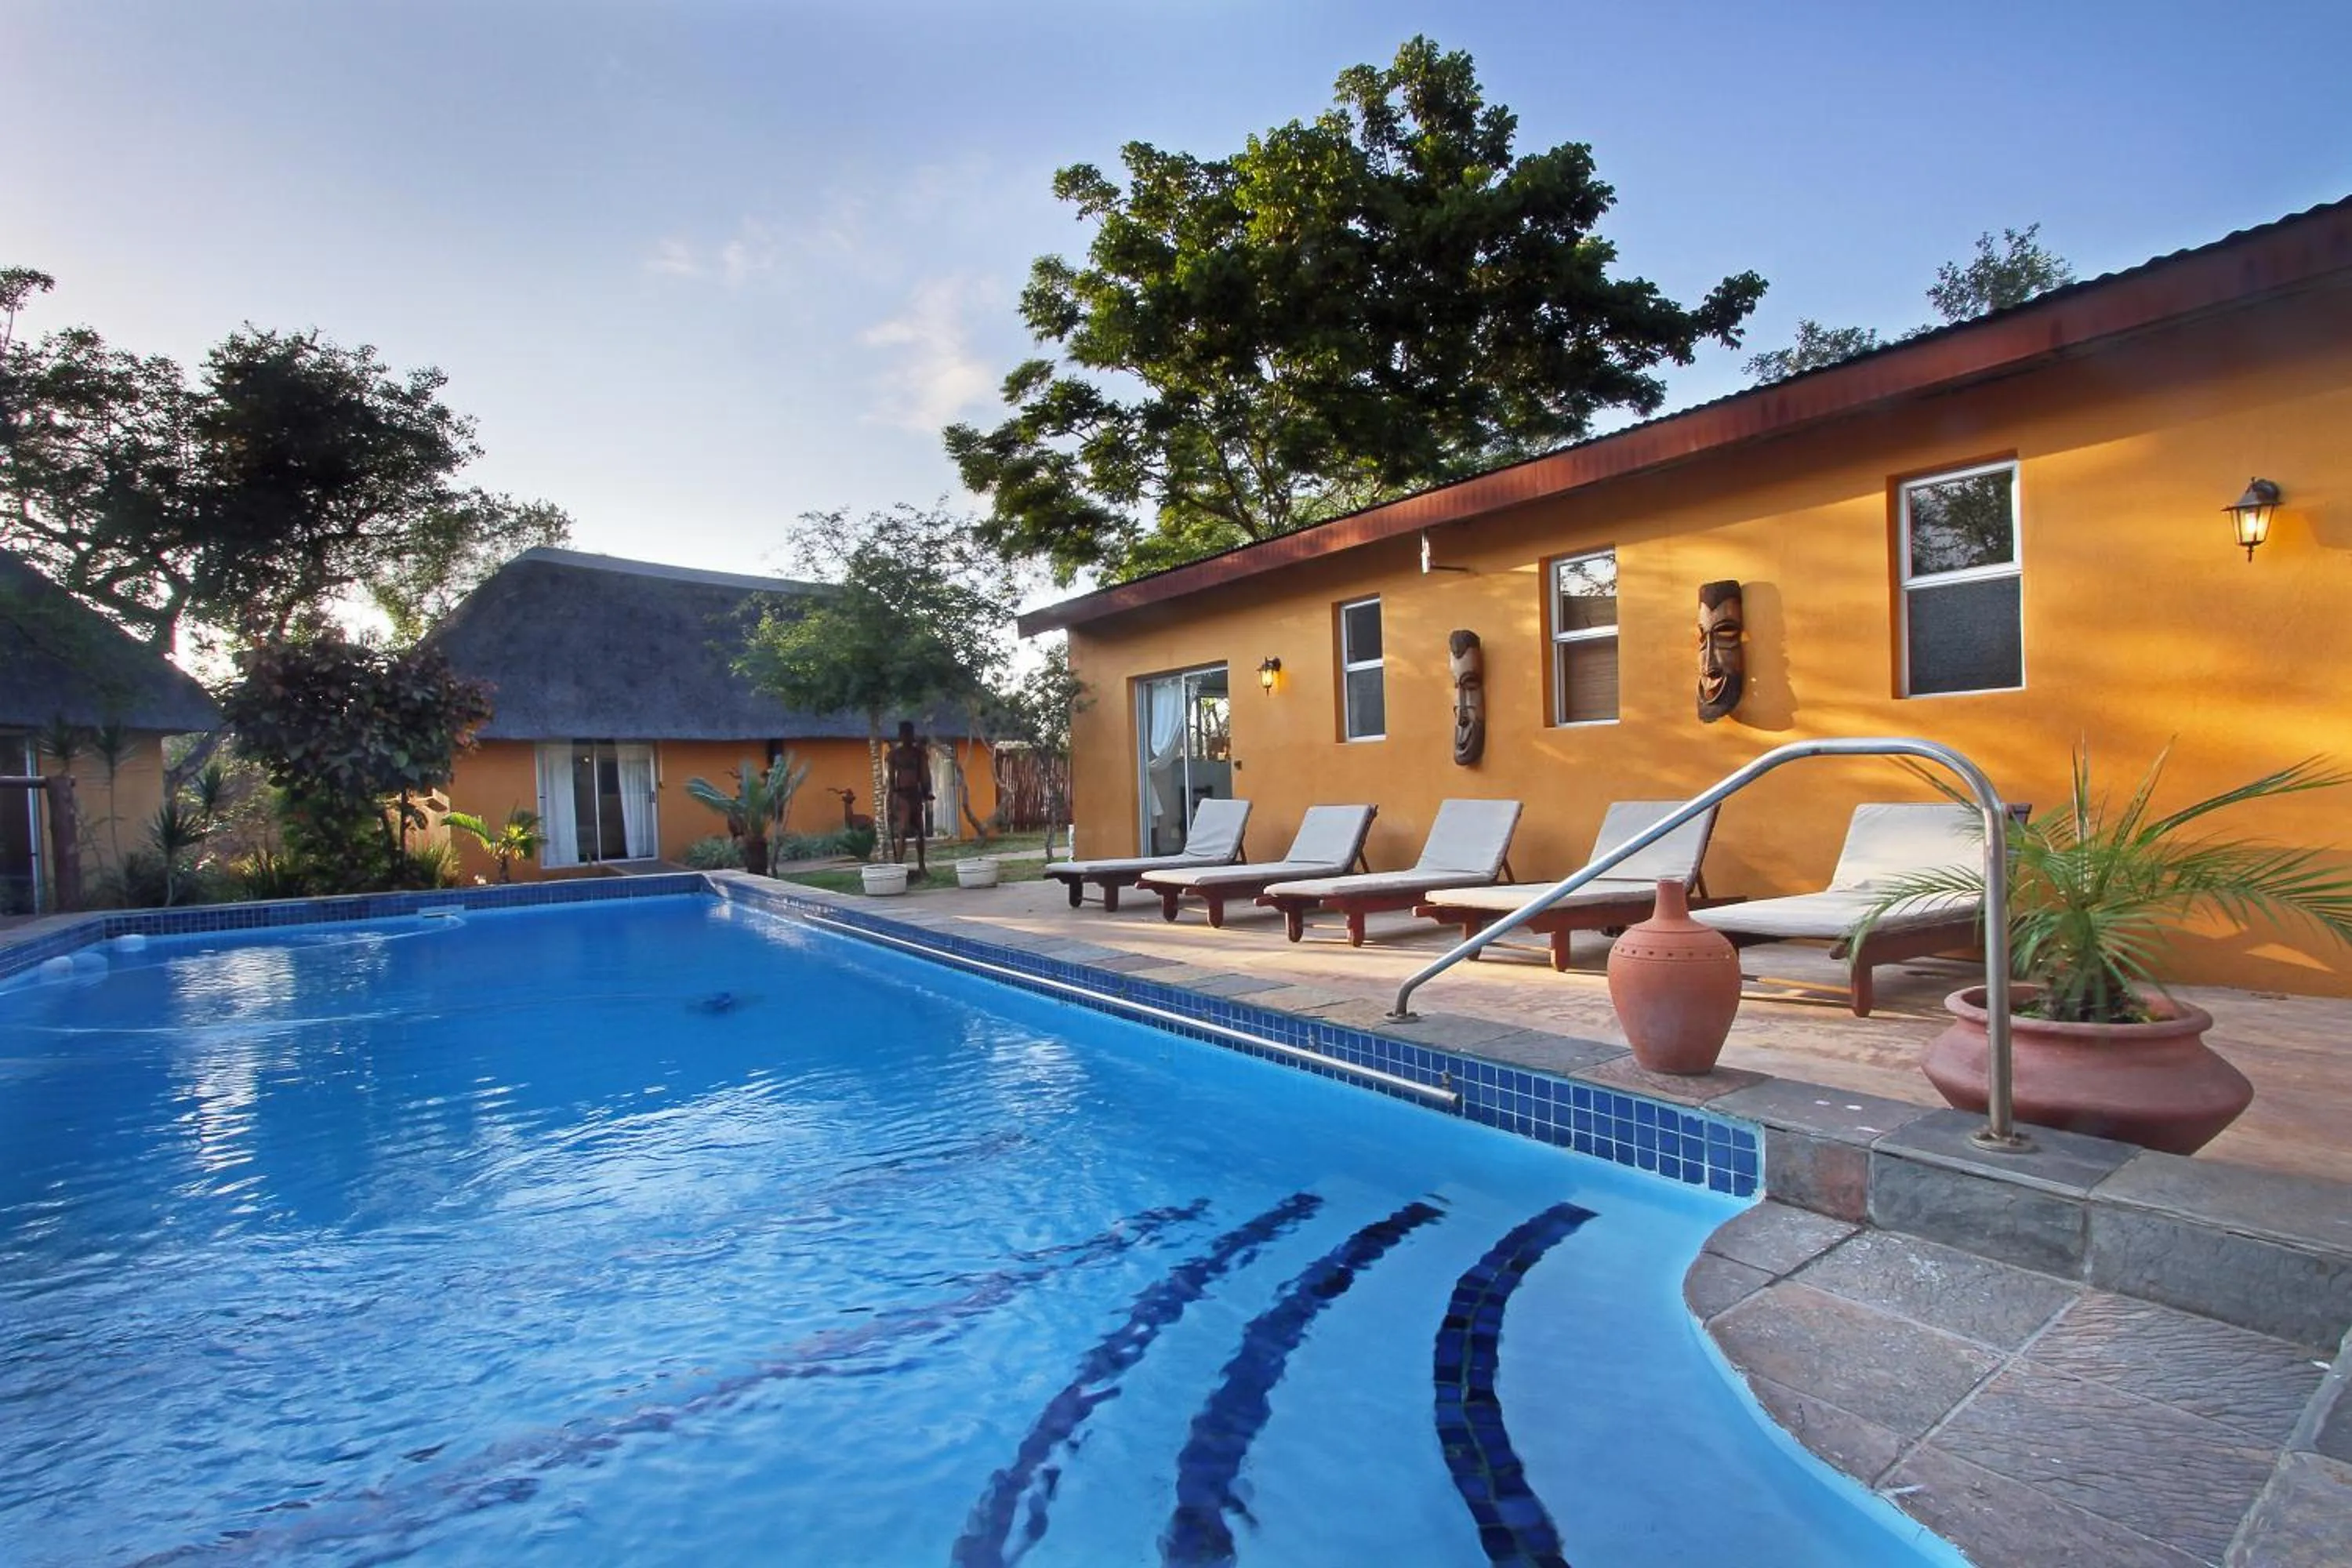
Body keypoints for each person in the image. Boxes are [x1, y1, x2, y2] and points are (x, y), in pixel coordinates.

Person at [884, 720, 933, 872]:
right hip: (901, 795)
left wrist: (926, 791)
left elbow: (925, 775)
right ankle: (899, 864)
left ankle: (922, 865)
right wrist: (889, 803)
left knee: (920, 830)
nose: (906, 737)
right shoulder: (894, 755)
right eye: (904, 733)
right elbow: (891, 780)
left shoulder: (919, 754)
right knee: (903, 830)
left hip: (915, 794)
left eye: (909, 733)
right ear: (900, 735)